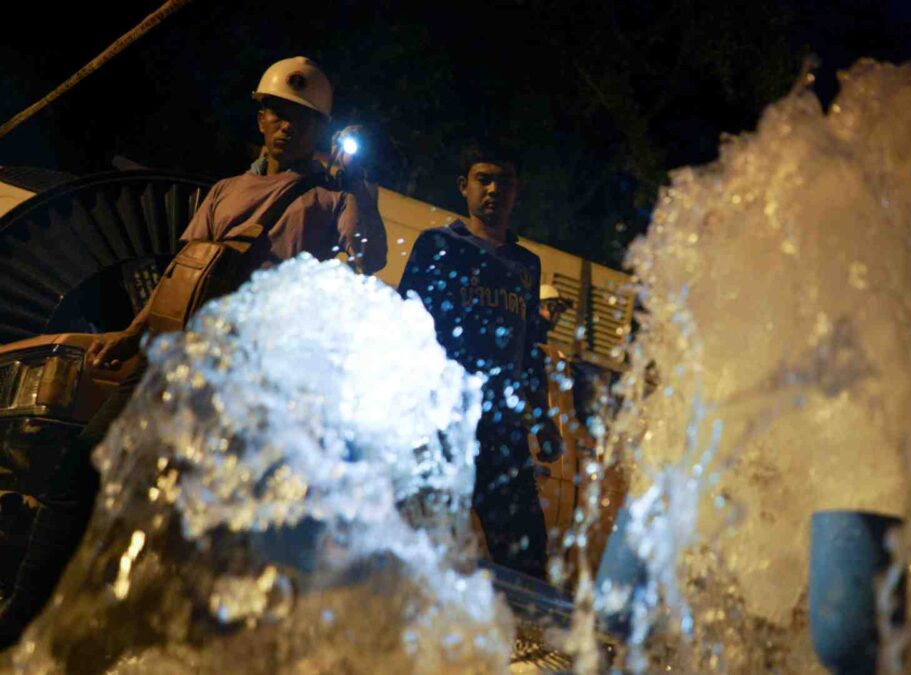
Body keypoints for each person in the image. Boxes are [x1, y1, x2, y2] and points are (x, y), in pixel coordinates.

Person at [0, 56, 386, 643]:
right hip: (172, 357)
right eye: (278, 113)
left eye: (303, 119)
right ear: (261, 117)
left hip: (248, 378)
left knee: (201, 513)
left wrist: (358, 189)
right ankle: (26, 616)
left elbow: (367, 258)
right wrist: (131, 335)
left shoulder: (331, 201)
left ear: (320, 131)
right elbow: (182, 272)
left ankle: (155, 636)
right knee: (84, 469)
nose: (288, 127)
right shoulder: (227, 190)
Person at [397, 144, 561, 579]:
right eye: (483, 178)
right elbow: (402, 324)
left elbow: (528, 349)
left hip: (502, 429)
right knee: (421, 543)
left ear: (516, 190)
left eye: (504, 181)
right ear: (463, 186)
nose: (493, 190)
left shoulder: (526, 264)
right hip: (443, 419)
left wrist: (542, 419)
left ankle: (520, 641)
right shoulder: (438, 245)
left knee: (526, 555)